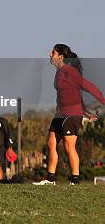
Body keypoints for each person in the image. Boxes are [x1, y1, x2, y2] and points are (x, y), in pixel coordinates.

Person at [33, 44, 105, 185]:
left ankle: (75, 180)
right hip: (60, 113)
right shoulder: (59, 72)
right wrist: (86, 112)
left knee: (68, 146)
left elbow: (89, 87)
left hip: (72, 114)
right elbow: (73, 95)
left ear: (60, 56)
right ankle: (50, 178)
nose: (50, 54)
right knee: (50, 143)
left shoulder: (70, 71)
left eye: (53, 52)